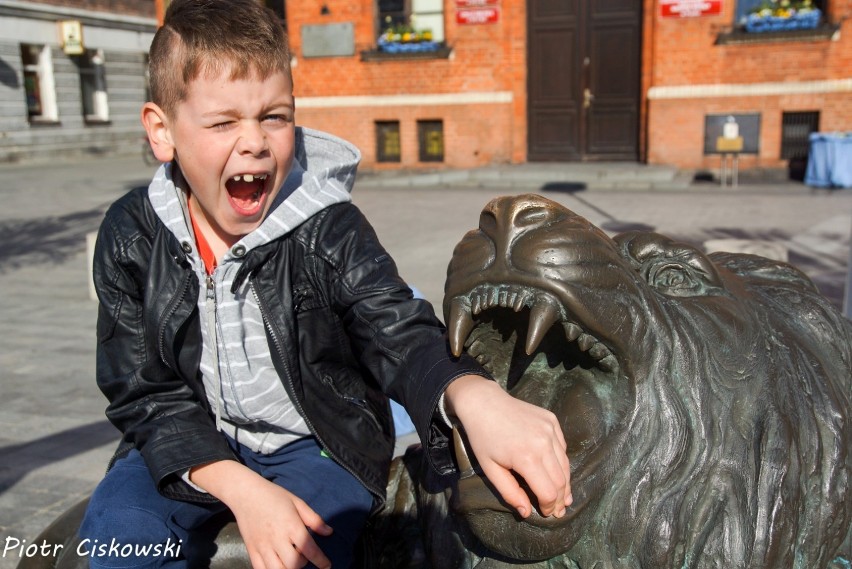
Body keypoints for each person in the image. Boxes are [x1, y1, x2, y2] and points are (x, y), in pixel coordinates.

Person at [79, 1, 572, 568]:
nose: (255, 142)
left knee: (304, 551)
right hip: (186, 437)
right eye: (223, 122)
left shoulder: (327, 227)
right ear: (162, 131)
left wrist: (472, 394)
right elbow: (142, 390)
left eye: (275, 116)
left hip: (317, 440)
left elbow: (395, 327)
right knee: (120, 537)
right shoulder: (130, 235)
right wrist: (238, 486)